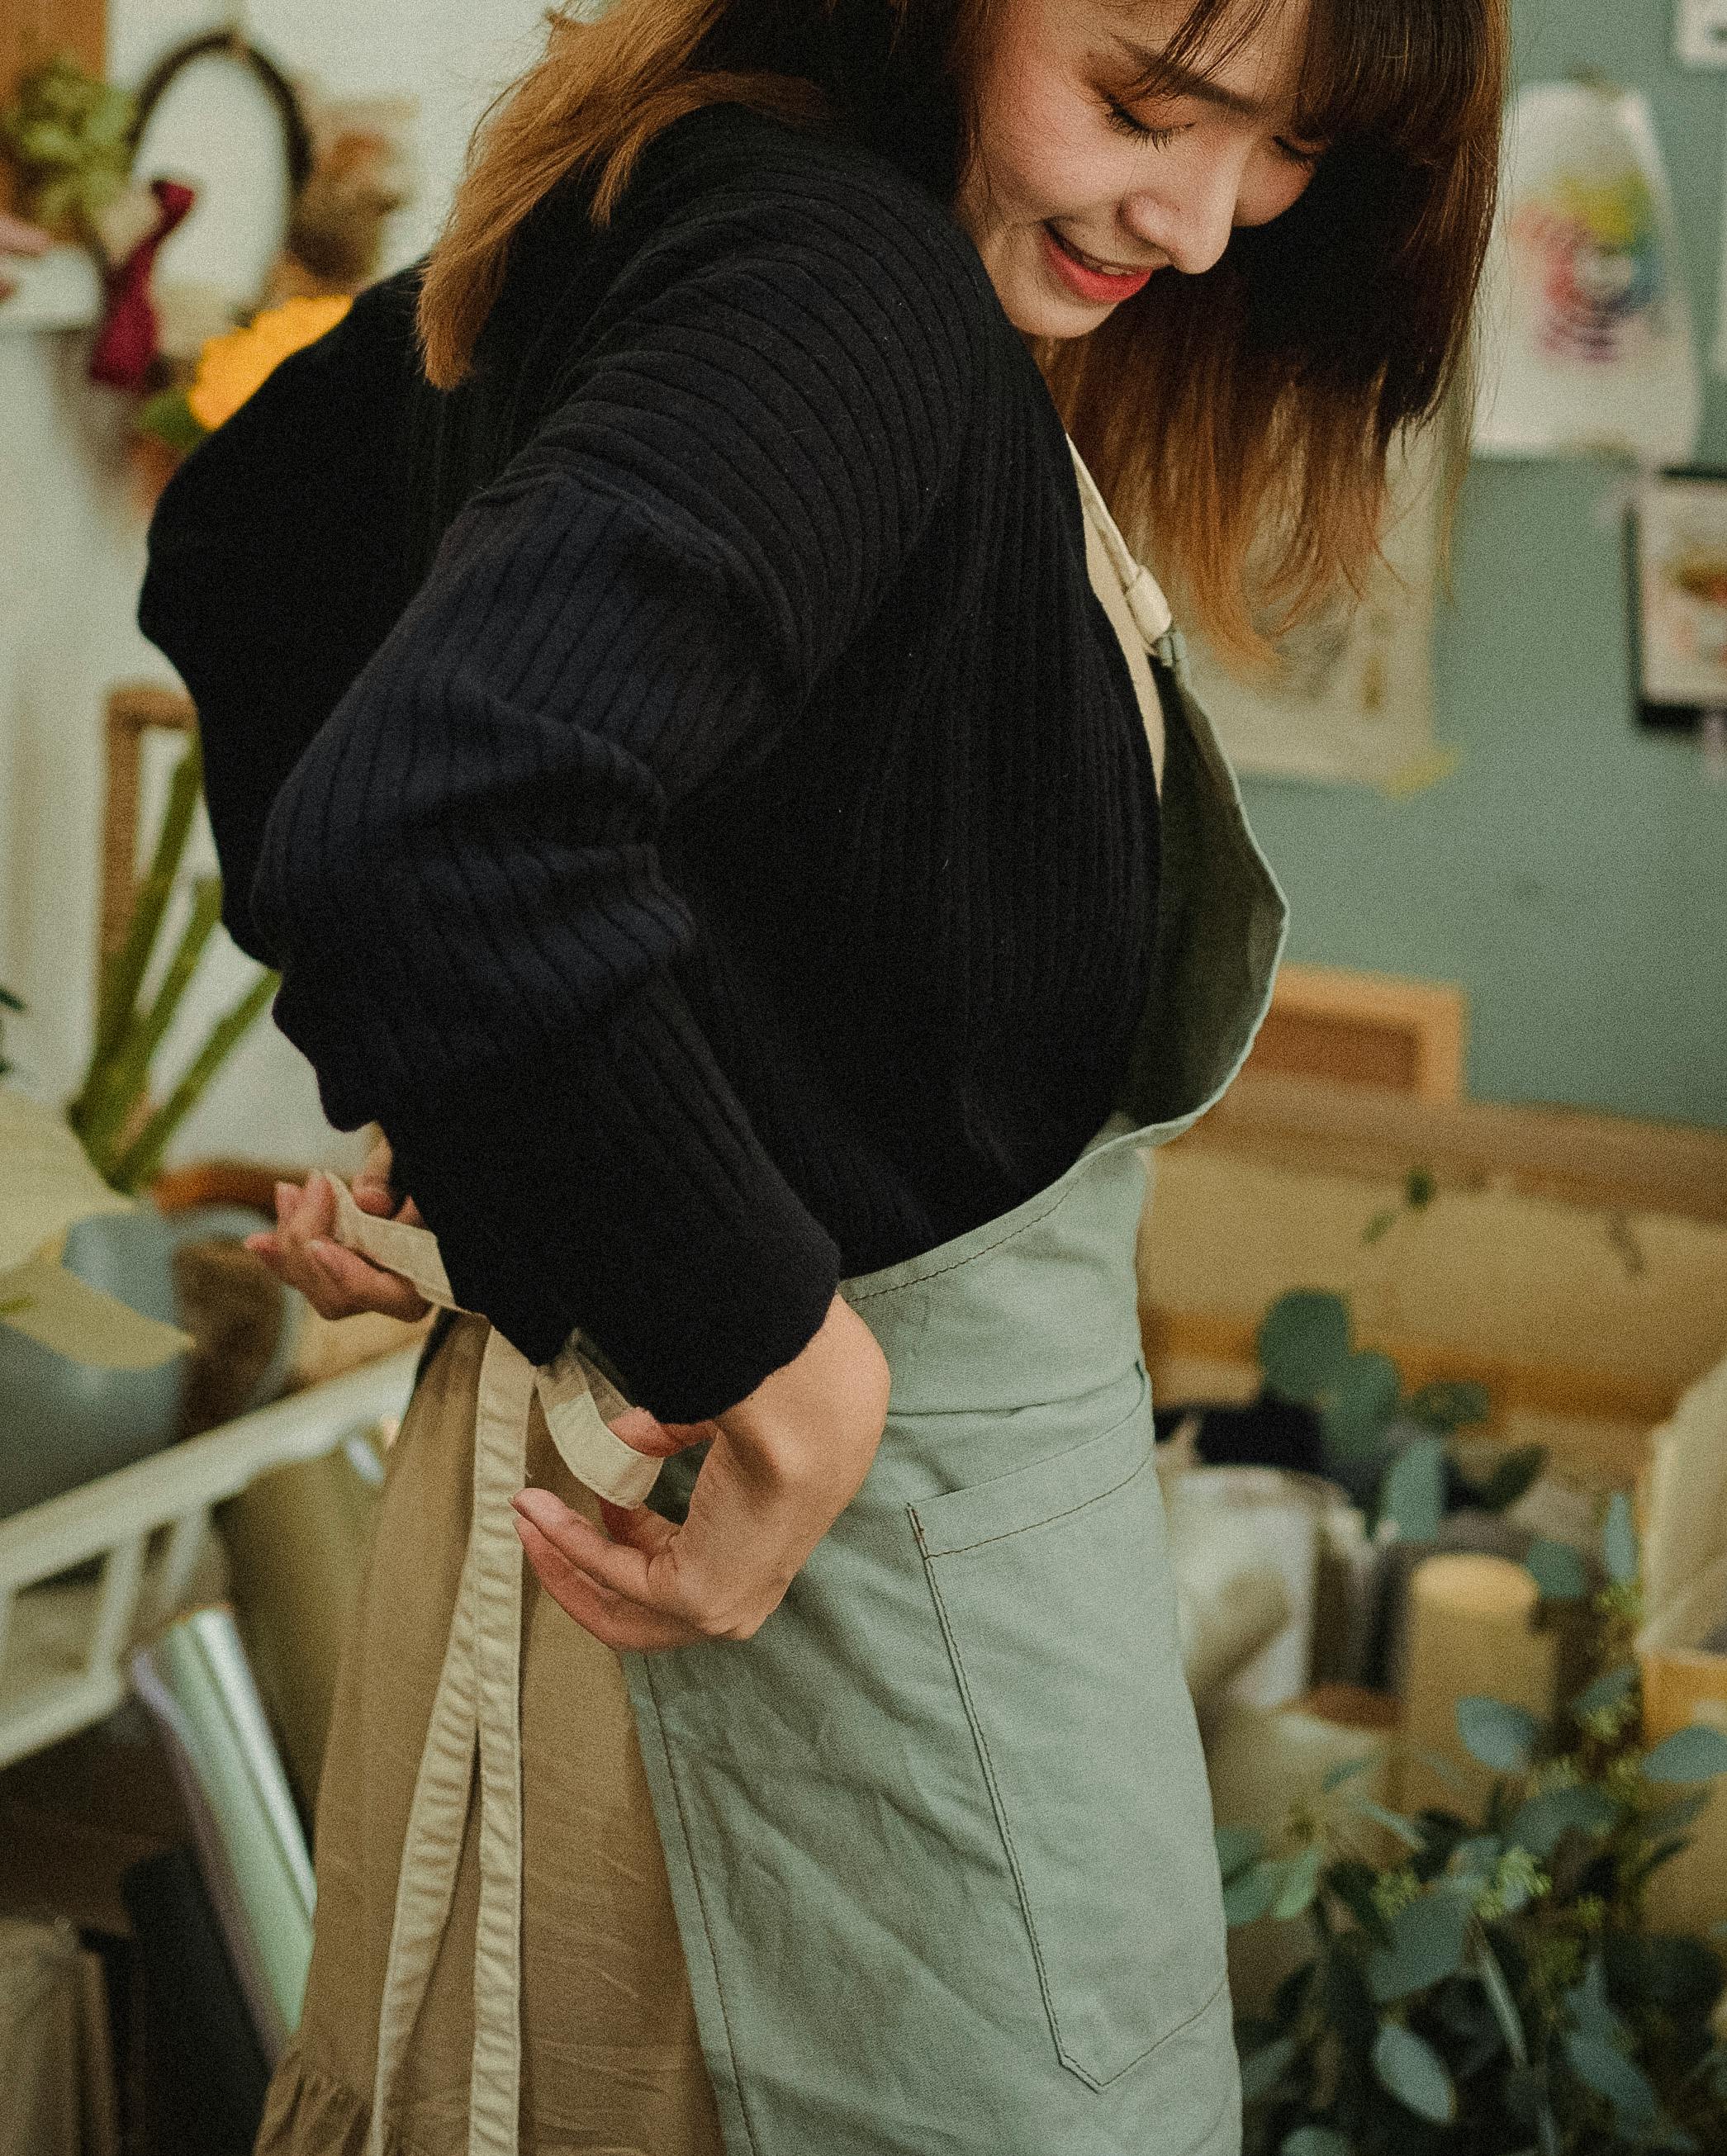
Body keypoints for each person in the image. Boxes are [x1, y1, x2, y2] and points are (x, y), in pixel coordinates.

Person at [137, 2, 1506, 2150]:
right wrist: (777, 1353)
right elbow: (448, 809)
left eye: (1284, 154)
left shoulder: (640, 202)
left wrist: (504, 1132)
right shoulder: (841, 282)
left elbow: (259, 547)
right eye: (1149, 100)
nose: (1200, 216)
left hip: (749, 1585)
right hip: (806, 1657)